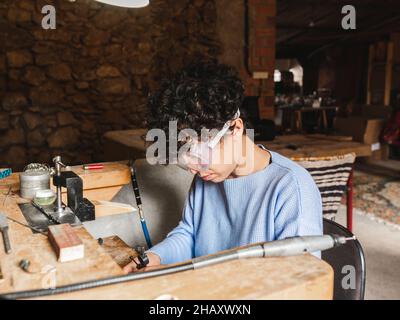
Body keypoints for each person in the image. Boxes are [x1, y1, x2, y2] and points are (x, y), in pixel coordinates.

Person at [123, 61, 322, 273]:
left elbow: (301, 279)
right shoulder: (206, 175)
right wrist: (155, 256)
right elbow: (190, 233)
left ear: (235, 129)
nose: (194, 169)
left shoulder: (291, 188)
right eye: (184, 160)